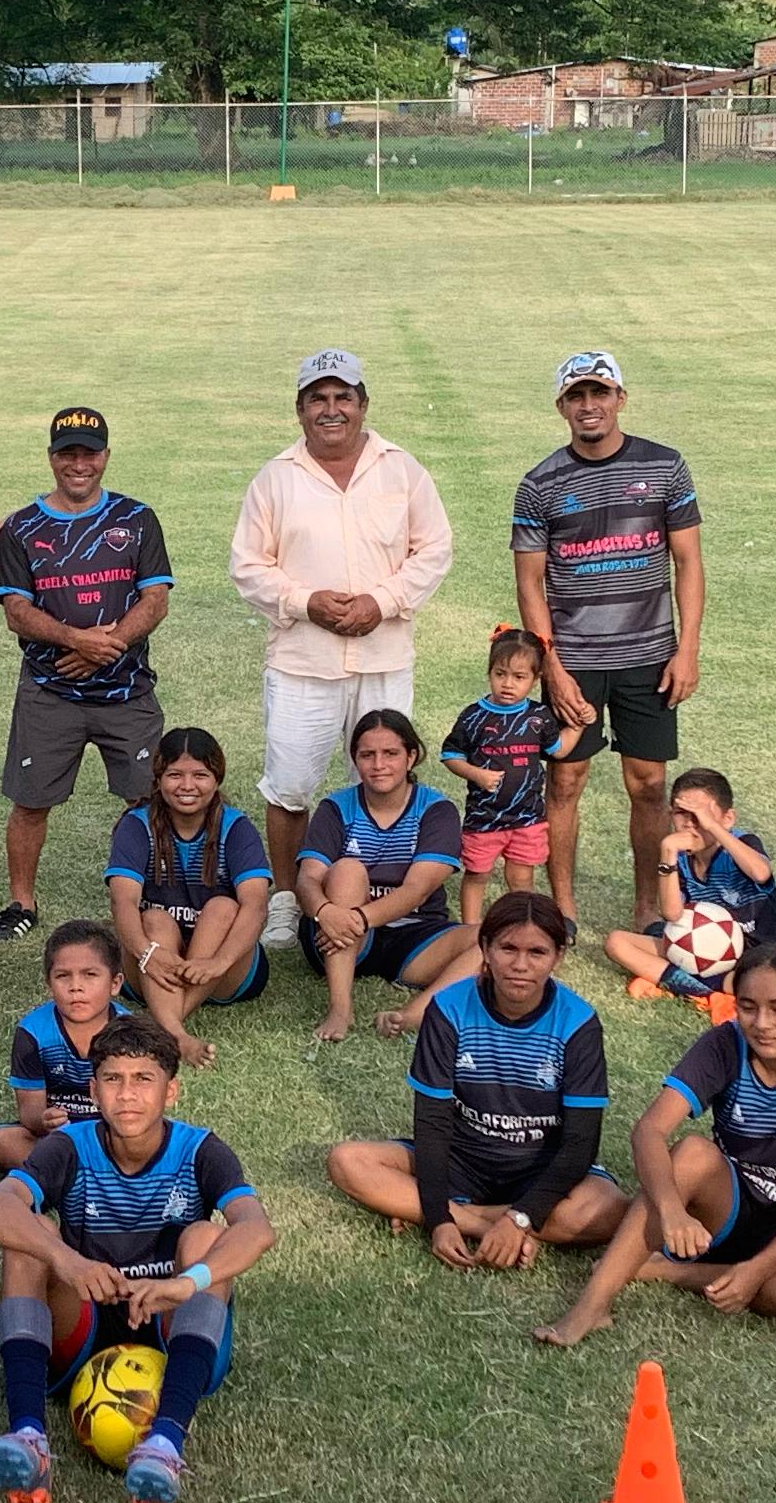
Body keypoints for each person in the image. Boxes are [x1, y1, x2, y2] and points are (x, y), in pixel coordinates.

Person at [0, 1019, 274, 1503]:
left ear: (171, 1091)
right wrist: (68, 1261)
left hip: (171, 1325)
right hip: (86, 1318)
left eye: (144, 1079)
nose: (127, 1094)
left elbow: (257, 1229)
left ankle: (165, 1443)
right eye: (113, 1079)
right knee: (32, 1237)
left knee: (205, 1237)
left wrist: (186, 1284)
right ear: (93, 1091)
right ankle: (28, 1435)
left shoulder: (200, 1149)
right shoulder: (69, 1145)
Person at [229, 350, 453, 952]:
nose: (332, 410)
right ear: (300, 409)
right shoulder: (275, 477)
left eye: (343, 397)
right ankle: (285, 899)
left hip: (384, 656)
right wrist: (308, 602)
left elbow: (434, 549)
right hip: (302, 661)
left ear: (363, 404)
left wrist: (382, 601)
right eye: (318, 399)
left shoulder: (401, 469)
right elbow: (248, 566)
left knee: (382, 776)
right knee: (289, 785)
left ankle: (384, 898)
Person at [539, 943, 776, 1345]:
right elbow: (649, 1130)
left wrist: (758, 1270)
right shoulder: (725, 1042)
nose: (762, 1023)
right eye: (748, 1007)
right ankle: (593, 1305)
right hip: (735, 1204)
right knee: (691, 1153)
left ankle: (666, 1270)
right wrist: (670, 1210)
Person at [324, 892, 629, 1267]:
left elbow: (581, 1143)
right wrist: (440, 1220)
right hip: (461, 1161)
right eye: (508, 948)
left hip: (539, 1168)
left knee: (610, 1208)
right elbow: (432, 1123)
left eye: (537, 952)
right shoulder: (448, 1008)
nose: (520, 965)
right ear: (484, 948)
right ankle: (480, 1225)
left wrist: (522, 1215)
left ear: (558, 957)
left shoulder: (578, 1022)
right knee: (347, 1161)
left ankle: (466, 1213)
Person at [511, 351, 707, 926]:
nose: (588, 405)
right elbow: (529, 585)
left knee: (648, 784)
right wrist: (553, 670)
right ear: (561, 407)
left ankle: (647, 906)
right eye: (576, 396)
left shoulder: (666, 466)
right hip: (575, 660)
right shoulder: (539, 485)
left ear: (621, 398)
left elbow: (689, 563)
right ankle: (562, 907)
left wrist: (687, 648)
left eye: (599, 393)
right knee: (565, 780)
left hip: (649, 656)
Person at [0, 407, 175, 943]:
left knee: (148, 800)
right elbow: (16, 612)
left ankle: (143, 896)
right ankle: (21, 903)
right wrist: (77, 640)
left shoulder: (137, 518)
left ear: (106, 457)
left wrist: (101, 649)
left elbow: (156, 600)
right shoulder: (20, 528)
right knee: (31, 801)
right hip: (50, 692)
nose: (79, 464)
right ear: (51, 458)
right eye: (67, 453)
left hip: (127, 690)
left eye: (89, 454)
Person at [295, 708, 470, 1044]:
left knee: (490, 940)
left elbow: (418, 890)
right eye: (367, 755)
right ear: (355, 760)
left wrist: (357, 919)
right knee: (347, 870)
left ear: (411, 757)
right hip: (336, 938)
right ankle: (340, 1008)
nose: (378, 764)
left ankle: (413, 1014)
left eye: (390, 753)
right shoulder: (336, 807)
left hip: (414, 933)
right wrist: (326, 912)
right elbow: (308, 879)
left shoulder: (436, 810)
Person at [104, 725, 274, 1064]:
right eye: (175, 775)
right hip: (154, 963)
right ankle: (176, 1036)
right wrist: (146, 953)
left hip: (221, 969)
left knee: (224, 908)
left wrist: (218, 963)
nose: (186, 786)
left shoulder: (236, 827)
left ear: (217, 779)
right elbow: (123, 901)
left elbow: (256, 906)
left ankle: (164, 1025)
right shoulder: (137, 825)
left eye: (200, 775)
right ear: (158, 778)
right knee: (154, 919)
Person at [598, 769, 776, 1012]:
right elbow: (672, 914)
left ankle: (682, 982)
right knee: (616, 942)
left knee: (761, 980)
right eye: (681, 813)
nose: (689, 824)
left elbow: (760, 873)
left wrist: (713, 827)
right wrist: (667, 852)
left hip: (753, 955)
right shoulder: (680, 857)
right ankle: (703, 991)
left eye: (699, 815)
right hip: (697, 946)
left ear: (727, 819)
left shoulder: (742, 843)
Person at [442, 627, 568, 933]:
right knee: (477, 875)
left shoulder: (539, 717)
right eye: (500, 674)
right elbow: (450, 755)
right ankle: (470, 930)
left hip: (527, 818)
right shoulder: (474, 716)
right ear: (489, 672)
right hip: (484, 817)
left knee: (522, 878)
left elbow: (558, 749)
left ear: (535, 679)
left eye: (519, 677)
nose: (508, 684)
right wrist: (476, 774)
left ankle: (520, 927)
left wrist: (580, 726)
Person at [0, 919, 129, 1162]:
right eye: (63, 976)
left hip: (112, 1136)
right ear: (49, 983)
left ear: (115, 983)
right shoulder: (33, 1032)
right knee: (0, 1142)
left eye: (90, 975)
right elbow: (30, 1113)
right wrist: (45, 1120)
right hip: (56, 1140)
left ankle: (74, 1173)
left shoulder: (128, 1032)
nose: (75, 987)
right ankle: (80, 1172)